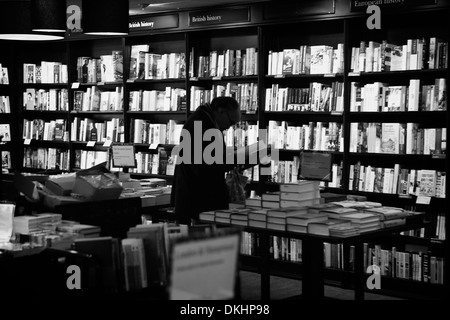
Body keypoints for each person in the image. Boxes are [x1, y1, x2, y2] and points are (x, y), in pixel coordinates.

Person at [171, 96, 254, 225]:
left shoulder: (208, 122)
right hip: (198, 203)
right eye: (231, 122)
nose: (230, 127)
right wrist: (238, 157)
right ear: (221, 111)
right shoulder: (200, 124)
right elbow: (206, 167)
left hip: (202, 202)